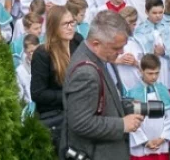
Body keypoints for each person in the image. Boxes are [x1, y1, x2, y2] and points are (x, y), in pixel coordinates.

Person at [60, 10, 142, 160]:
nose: (121, 52)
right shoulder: (85, 73)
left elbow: (102, 102)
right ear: (96, 44)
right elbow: (80, 123)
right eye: (116, 48)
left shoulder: (99, 57)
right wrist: (122, 124)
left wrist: (126, 105)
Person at [31, 6, 82, 148]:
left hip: (78, 111)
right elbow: (38, 93)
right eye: (65, 24)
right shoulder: (42, 54)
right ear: (54, 26)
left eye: (72, 22)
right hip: (55, 115)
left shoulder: (77, 41)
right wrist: (69, 95)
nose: (70, 27)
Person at [125, 54, 170, 160]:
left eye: (157, 73)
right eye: (150, 73)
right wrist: (144, 141)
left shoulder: (163, 90)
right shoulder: (133, 93)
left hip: (160, 142)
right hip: (141, 145)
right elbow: (131, 120)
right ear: (141, 71)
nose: (154, 77)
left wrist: (163, 138)